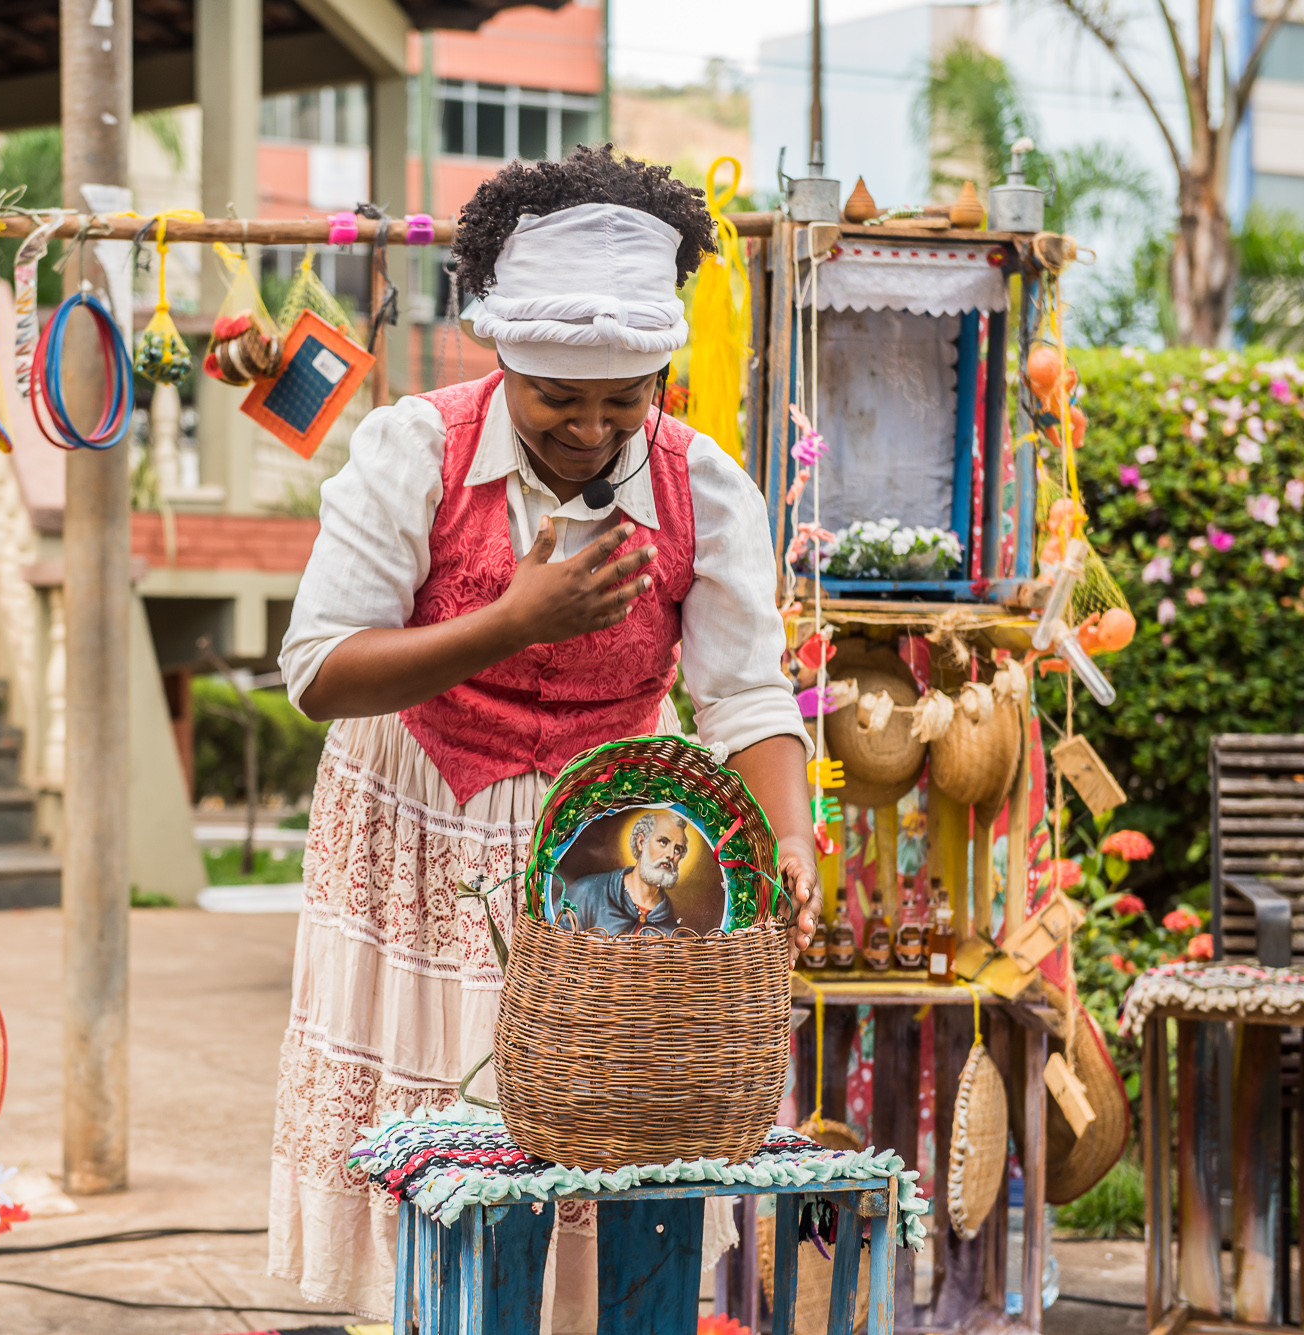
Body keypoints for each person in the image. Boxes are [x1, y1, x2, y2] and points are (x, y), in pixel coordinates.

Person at [269, 145, 821, 1324]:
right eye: (556, 399)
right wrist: (510, 621)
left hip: (605, 848)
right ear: (500, 357)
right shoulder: (410, 450)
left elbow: (743, 699)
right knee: (447, 1154)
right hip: (419, 810)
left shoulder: (701, 484)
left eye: (624, 401)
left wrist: (788, 835)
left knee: (598, 1129)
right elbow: (317, 674)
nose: (588, 429)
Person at [556, 808, 691, 936]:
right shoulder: (588, 892)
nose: (670, 854)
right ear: (641, 842)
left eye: (678, 849)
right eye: (663, 842)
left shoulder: (673, 930)